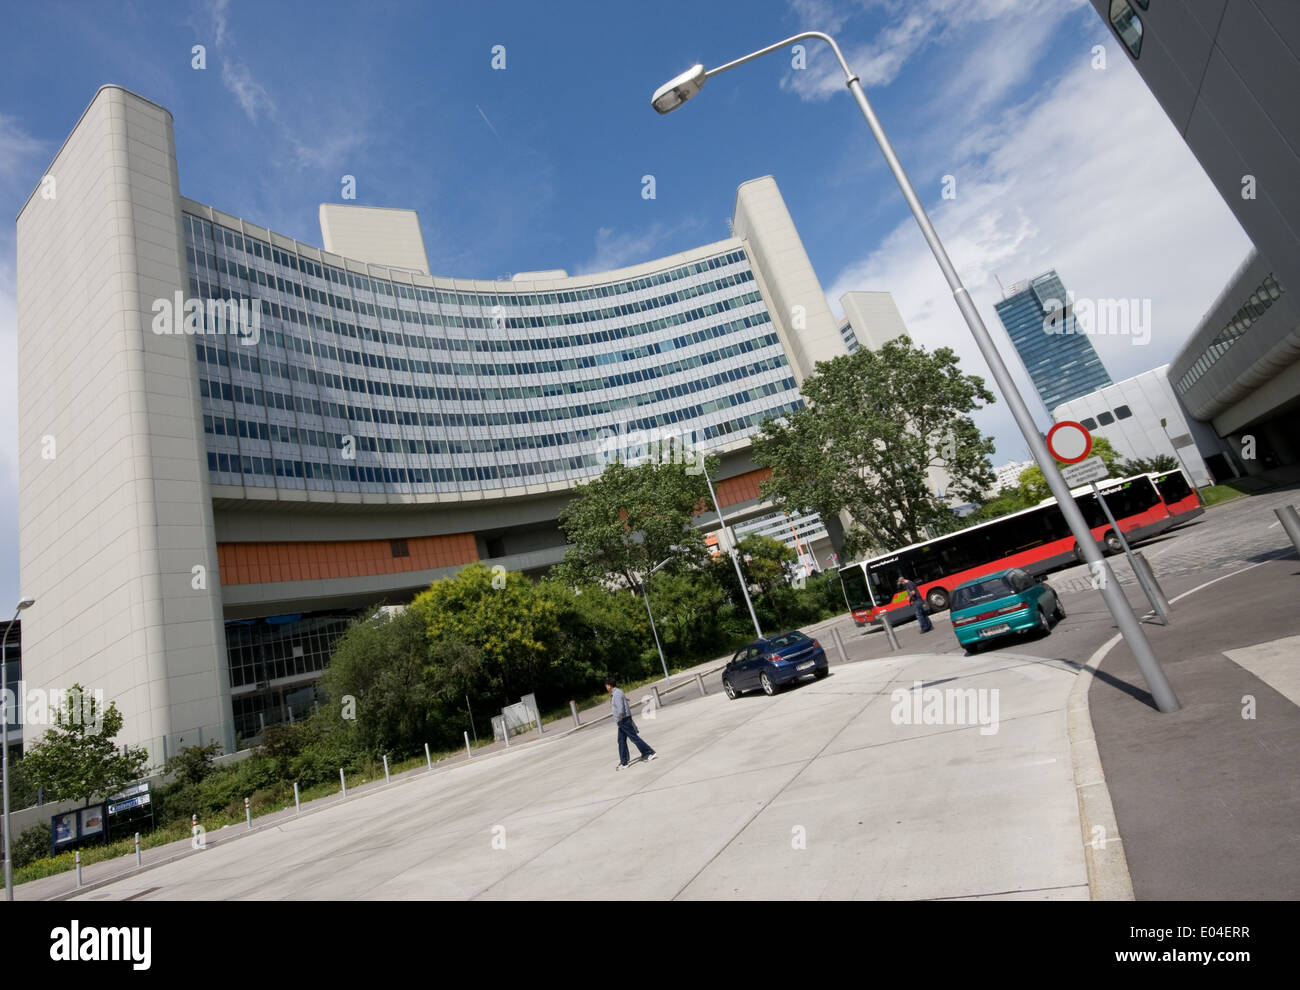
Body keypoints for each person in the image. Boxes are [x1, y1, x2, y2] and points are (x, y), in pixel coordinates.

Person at [604, 677, 657, 770]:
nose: (606, 687)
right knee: (621, 741)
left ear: (609, 686)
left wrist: (619, 717)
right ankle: (624, 762)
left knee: (634, 738)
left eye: (606, 685)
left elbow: (620, 708)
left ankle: (649, 752)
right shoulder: (617, 692)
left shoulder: (616, 694)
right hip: (623, 720)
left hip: (623, 720)